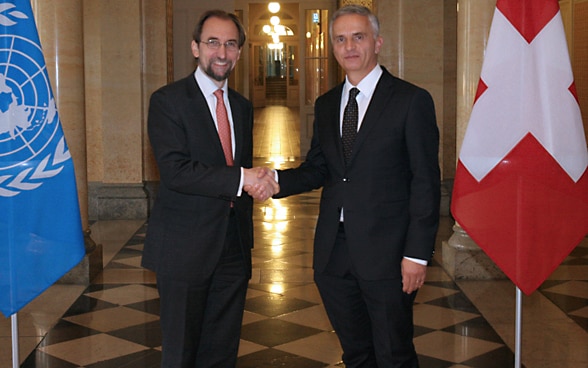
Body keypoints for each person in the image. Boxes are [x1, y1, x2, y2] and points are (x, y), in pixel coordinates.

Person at [253, 5, 440, 367]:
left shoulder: (410, 101)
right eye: (340, 39)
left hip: (388, 253)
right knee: (355, 352)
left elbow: (425, 182)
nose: (349, 46)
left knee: (394, 353)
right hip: (333, 254)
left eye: (358, 37)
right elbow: (319, 169)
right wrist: (275, 180)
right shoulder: (326, 105)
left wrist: (417, 254)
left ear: (378, 42)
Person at [142, 9, 279, 368]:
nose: (222, 52)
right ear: (195, 48)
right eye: (213, 42)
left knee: (222, 350)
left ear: (239, 52)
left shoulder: (242, 106)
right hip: (184, 249)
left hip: (233, 246)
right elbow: (176, 171)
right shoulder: (167, 101)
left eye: (231, 44)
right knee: (182, 352)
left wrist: (258, 182)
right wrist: (244, 178)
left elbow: (239, 168)